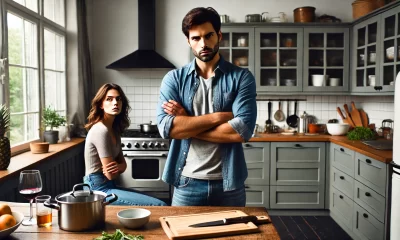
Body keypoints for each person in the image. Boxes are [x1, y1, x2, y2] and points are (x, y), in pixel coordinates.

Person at [157, 7, 257, 206]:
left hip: (230, 184)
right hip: (187, 183)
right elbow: (168, 129)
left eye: (208, 36)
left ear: (218, 35)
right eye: (195, 38)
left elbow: (241, 132)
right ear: (188, 41)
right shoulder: (174, 79)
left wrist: (187, 123)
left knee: (232, 237)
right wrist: (220, 117)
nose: (203, 44)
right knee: (183, 236)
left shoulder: (241, 77)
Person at [84, 83, 167, 206]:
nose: (115, 103)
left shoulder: (114, 129)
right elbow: (111, 174)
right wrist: (119, 167)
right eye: (109, 99)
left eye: (118, 99)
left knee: (155, 200)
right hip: (98, 190)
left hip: (109, 186)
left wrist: (119, 167)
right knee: (160, 205)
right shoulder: (100, 130)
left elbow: (123, 164)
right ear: (101, 104)